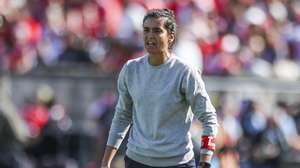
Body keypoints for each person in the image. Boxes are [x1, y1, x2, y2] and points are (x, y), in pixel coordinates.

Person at [100, 9, 218, 168]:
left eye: (157, 31)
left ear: (171, 36)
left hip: (177, 163)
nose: (150, 36)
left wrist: (205, 160)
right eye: (146, 30)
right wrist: (106, 160)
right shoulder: (131, 69)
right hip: (137, 161)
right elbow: (122, 116)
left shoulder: (185, 73)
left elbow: (209, 118)